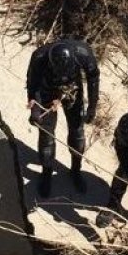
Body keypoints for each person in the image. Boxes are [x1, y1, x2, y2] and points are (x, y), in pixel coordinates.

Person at [26, 38, 100, 198]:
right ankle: (46, 173)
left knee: (77, 131)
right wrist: (36, 110)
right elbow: (33, 85)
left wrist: (92, 106)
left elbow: (93, 78)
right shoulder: (39, 57)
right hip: (47, 89)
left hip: (72, 89)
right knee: (46, 135)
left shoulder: (83, 53)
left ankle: (75, 169)